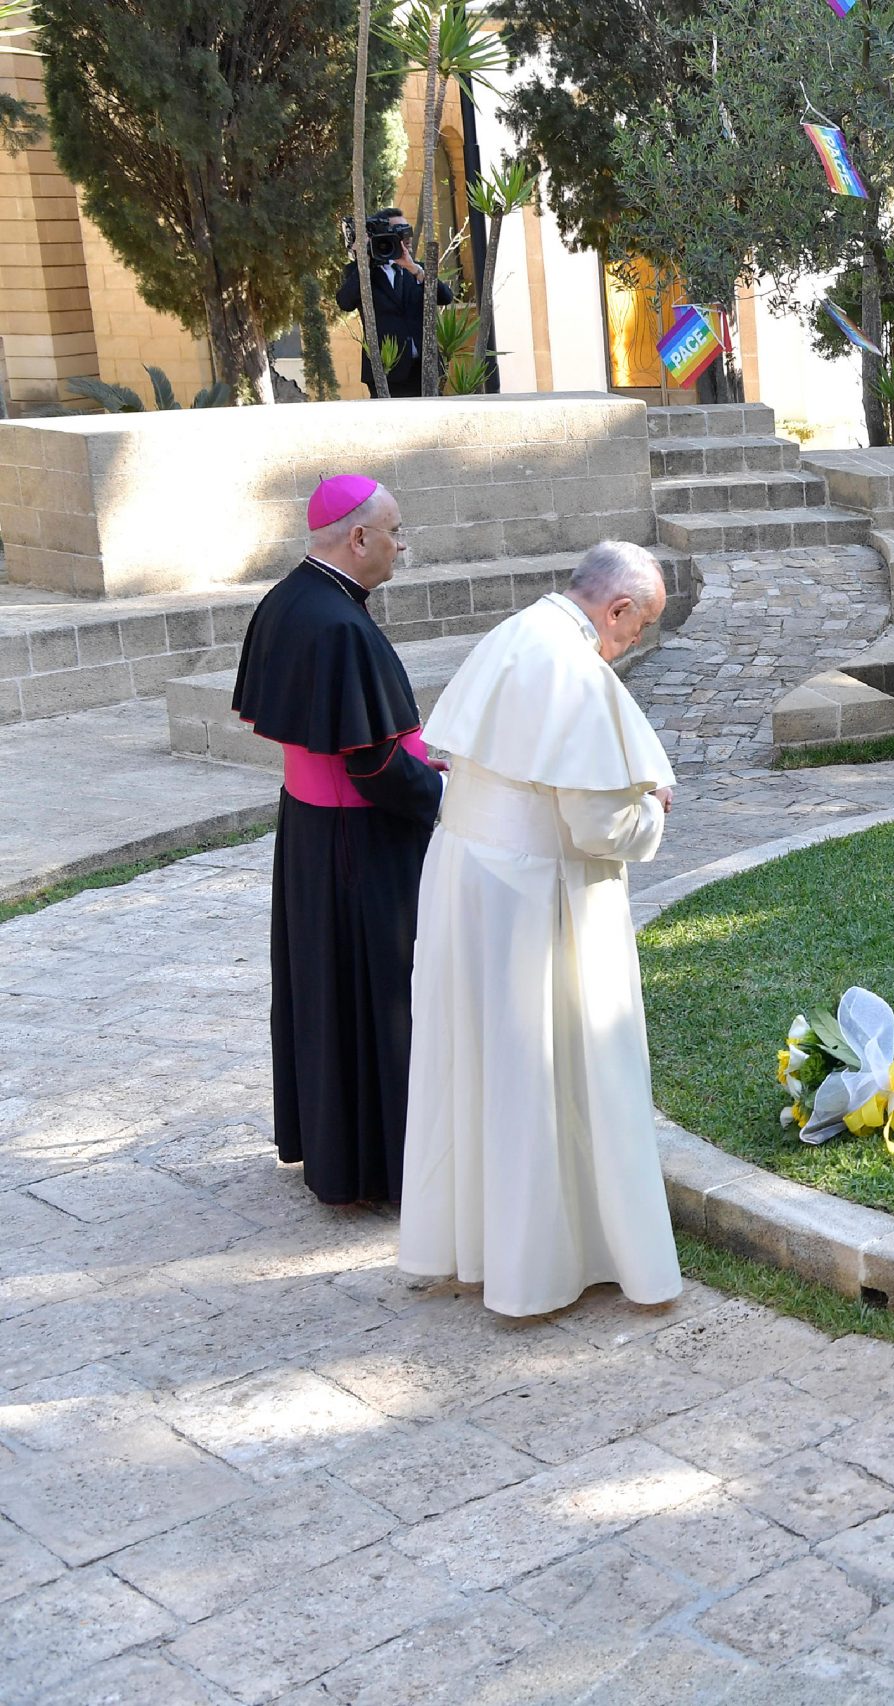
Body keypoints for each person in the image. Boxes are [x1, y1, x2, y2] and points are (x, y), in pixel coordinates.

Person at [399, 541, 683, 1316]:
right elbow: (596, 825)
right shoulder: (574, 668)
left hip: (469, 875)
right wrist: (651, 810)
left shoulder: (517, 632)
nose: (631, 644)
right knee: (540, 1071)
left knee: (481, 1063)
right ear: (617, 609)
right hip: (532, 896)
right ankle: (544, 1265)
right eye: (638, 627)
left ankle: (483, 1245)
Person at [230, 477, 444, 1205]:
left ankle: (332, 1149)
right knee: (375, 994)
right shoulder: (342, 626)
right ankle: (378, 1166)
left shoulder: (288, 598)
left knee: (323, 993)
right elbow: (376, 762)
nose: (400, 544)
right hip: (360, 844)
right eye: (394, 530)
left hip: (311, 834)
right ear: (357, 539)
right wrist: (441, 796)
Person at [335, 208, 454, 398]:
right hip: (386, 371)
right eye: (399, 229)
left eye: (407, 229)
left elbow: (446, 297)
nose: (405, 235)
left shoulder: (416, 268)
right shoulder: (358, 273)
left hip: (425, 369)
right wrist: (364, 262)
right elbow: (345, 302)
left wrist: (413, 268)